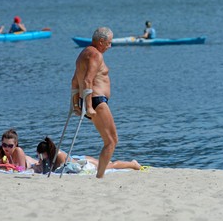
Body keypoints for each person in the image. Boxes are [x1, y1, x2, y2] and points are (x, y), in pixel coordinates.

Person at [71, 27, 117, 178]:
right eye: (109, 43)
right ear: (101, 41)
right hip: (96, 101)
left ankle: (100, 175)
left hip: (91, 100)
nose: (110, 46)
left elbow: (74, 82)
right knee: (111, 141)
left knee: (110, 140)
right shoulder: (96, 55)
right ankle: (100, 176)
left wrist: (76, 104)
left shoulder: (83, 53)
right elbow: (87, 80)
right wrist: (89, 106)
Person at [32, 137, 141, 174]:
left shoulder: (59, 155)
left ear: (45, 153)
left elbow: (75, 166)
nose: (40, 158)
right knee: (108, 165)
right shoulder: (48, 156)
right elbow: (42, 166)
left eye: (40, 156)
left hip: (83, 162)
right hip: (78, 158)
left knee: (110, 166)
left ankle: (133, 164)